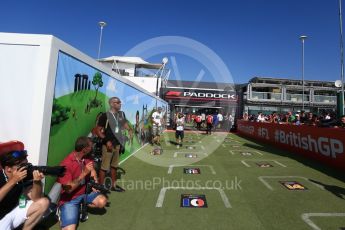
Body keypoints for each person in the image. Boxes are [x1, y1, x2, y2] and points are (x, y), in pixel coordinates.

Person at [57, 136, 107, 230]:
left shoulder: (86, 157)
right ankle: (63, 211)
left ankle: (82, 206)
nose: (92, 148)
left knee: (102, 202)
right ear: (84, 149)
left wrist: (95, 183)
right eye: (91, 147)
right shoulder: (65, 164)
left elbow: (93, 172)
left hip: (85, 193)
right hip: (70, 199)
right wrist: (84, 173)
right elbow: (68, 189)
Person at [0, 149, 50, 230]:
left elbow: (36, 198)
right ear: (8, 168)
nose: (25, 168)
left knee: (43, 202)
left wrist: (37, 182)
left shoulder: (25, 176)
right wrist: (13, 180)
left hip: (12, 213)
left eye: (26, 164)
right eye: (21, 166)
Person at [96, 97, 132, 192]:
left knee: (114, 166)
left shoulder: (121, 114)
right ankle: (101, 188)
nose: (120, 104)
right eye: (118, 102)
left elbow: (124, 124)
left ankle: (114, 186)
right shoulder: (105, 116)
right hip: (108, 145)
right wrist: (106, 140)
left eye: (120, 102)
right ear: (111, 104)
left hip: (117, 144)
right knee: (104, 167)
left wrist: (130, 130)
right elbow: (98, 131)